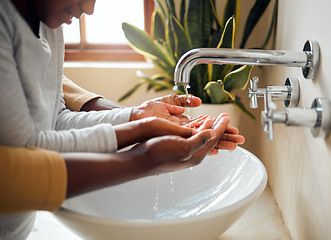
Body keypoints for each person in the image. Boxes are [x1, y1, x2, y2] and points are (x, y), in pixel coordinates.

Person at [0, 0, 245, 239]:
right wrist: (144, 157)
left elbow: (55, 122)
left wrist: (137, 120)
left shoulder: (49, 26)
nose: (89, 8)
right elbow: (24, 156)